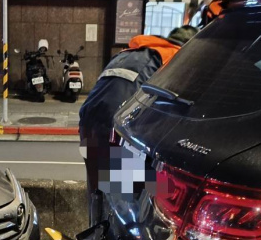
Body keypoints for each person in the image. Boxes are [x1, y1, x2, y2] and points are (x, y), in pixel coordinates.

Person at [79, 26, 198, 192]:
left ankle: (100, 204)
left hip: (88, 122)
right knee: (151, 192)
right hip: (119, 129)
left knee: (99, 186)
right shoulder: (175, 58)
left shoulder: (128, 53)